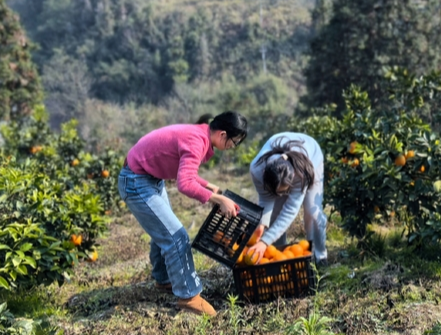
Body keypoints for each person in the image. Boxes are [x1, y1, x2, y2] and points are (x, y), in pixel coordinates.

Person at [118, 112, 248, 317]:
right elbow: (184, 184)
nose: (233, 146)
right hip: (137, 182)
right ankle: (188, 296)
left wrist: (206, 185)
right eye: (234, 142)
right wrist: (219, 199)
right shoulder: (197, 140)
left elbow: (186, 172)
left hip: (148, 178)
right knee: (176, 237)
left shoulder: (200, 134)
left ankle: (164, 279)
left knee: (163, 231)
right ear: (223, 134)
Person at [247, 132, 328, 265]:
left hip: (312, 157)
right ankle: (277, 257)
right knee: (272, 215)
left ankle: (319, 256)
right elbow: (266, 200)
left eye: (284, 191)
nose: (281, 196)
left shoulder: (302, 172)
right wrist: (262, 224)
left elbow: (290, 210)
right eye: (277, 193)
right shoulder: (257, 169)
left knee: (312, 212)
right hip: (279, 172)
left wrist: (264, 241)